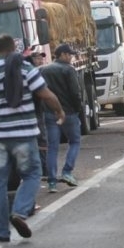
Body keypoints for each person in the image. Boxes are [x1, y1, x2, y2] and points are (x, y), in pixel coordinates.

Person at [0, 34, 64, 242]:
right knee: (31, 174)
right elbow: (46, 95)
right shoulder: (26, 69)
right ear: (14, 49)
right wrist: (59, 112)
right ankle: (19, 212)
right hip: (24, 136)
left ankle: (1, 232)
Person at [39, 44, 83, 193]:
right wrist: (79, 109)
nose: (71, 57)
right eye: (69, 54)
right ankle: (67, 172)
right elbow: (75, 92)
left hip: (49, 113)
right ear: (62, 54)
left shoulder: (43, 70)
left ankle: (52, 182)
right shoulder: (68, 70)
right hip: (68, 112)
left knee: (52, 147)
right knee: (75, 141)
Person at [25, 46, 47, 177]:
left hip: (29, 112)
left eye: (41, 58)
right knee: (41, 140)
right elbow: (43, 93)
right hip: (35, 111)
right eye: (37, 58)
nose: (40, 60)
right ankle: (43, 169)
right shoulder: (30, 72)